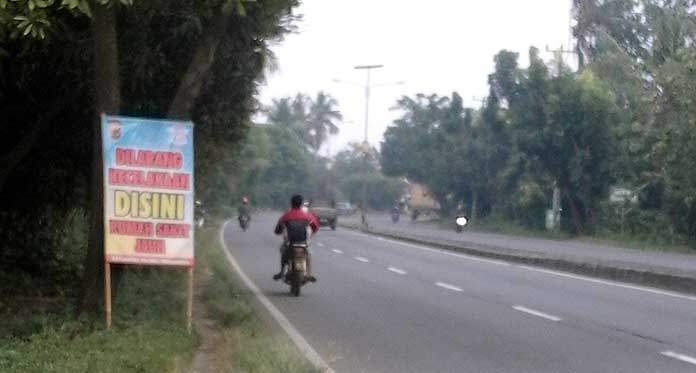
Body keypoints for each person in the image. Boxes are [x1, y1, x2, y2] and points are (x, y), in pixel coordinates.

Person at [273, 195, 319, 282]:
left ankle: (282, 272)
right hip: (303, 242)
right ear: (301, 204)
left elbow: (277, 230)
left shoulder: (286, 216)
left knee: (283, 253)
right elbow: (315, 227)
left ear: (291, 203)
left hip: (290, 243)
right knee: (308, 254)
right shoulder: (308, 216)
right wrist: (310, 234)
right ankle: (308, 273)